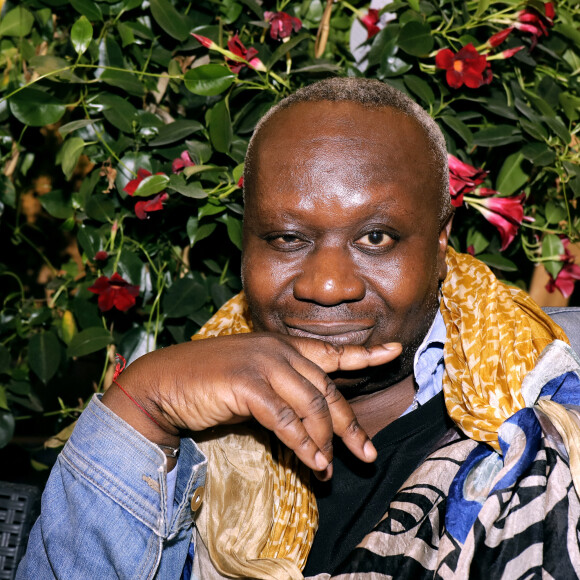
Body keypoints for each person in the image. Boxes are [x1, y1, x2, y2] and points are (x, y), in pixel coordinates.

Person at [17, 78, 580, 579]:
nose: (328, 285)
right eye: (287, 238)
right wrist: (139, 410)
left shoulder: (537, 449)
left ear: (439, 240)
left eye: (376, 238)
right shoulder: (183, 417)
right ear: (245, 246)